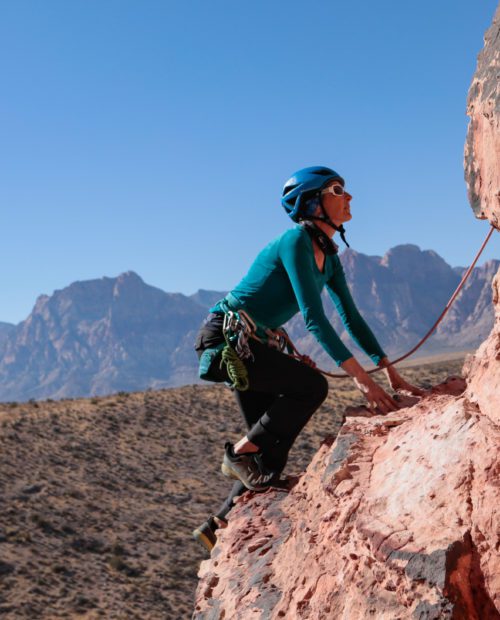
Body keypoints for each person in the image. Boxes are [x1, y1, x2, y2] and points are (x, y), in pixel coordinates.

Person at [192, 166, 423, 552]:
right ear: (312, 202)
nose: (349, 197)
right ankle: (239, 452)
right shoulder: (295, 241)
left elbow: (350, 316)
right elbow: (315, 319)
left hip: (253, 346)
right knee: (310, 387)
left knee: (272, 456)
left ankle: (217, 525)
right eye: (337, 190)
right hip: (228, 342)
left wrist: (389, 370)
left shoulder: (329, 257)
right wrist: (363, 380)